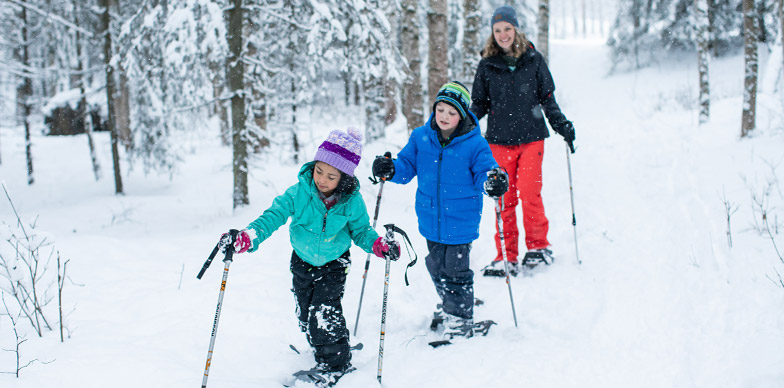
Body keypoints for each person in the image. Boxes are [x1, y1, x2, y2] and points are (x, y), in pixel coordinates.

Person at [221, 128, 398, 386]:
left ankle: (335, 362)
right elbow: (273, 216)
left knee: (324, 312)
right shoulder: (298, 193)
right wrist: (248, 237)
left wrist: (378, 245)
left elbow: (361, 231)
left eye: (331, 176)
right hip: (302, 261)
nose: (322, 180)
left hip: (334, 263)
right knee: (305, 313)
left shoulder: (351, 201)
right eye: (319, 171)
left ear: (344, 178)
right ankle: (320, 343)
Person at [372, 81, 508, 339]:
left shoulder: (475, 144)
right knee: (435, 266)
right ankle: (450, 303)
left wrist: (493, 181)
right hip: (430, 218)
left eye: (452, 112)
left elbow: (485, 173)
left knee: (455, 271)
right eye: (441, 109)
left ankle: (460, 319)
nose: (445, 116)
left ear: (463, 115)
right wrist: (390, 169)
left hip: (461, 221)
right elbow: (406, 167)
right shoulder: (421, 138)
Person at [470, 5, 576, 275]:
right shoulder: (487, 65)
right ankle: (506, 255)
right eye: (497, 30)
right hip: (498, 141)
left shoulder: (534, 59)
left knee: (530, 194)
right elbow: (479, 104)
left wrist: (561, 124)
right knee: (504, 198)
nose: (503, 34)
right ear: (492, 34)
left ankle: (538, 247)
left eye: (507, 28)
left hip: (531, 138)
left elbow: (548, 99)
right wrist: (461, 127)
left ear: (516, 29)